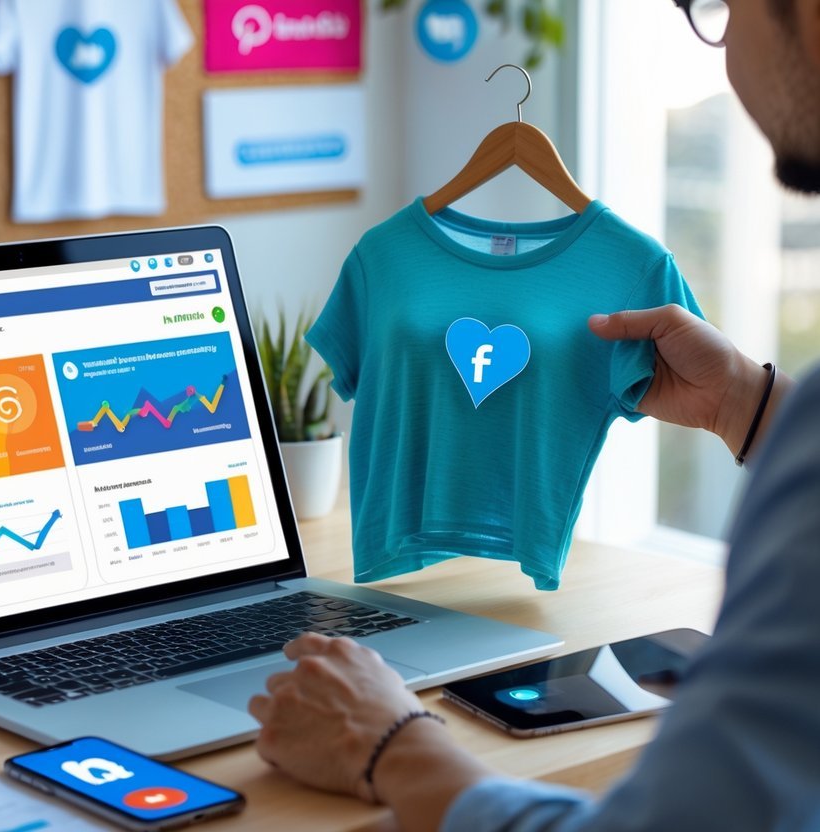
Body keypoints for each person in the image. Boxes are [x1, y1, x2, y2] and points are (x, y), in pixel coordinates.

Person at [248, 1, 820, 829]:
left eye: (724, 6)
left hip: (464, 640)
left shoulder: (631, 265)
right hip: (420, 598)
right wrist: (745, 403)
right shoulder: (384, 255)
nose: (723, 39)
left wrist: (391, 744)